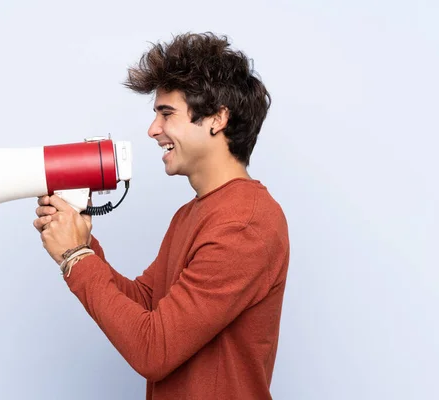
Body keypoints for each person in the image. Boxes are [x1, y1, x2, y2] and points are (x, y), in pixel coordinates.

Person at [33, 32, 290, 400]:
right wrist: (82, 244)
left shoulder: (244, 224)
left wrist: (76, 258)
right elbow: (145, 303)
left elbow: (154, 350)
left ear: (217, 119)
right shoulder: (193, 213)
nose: (153, 129)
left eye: (166, 113)